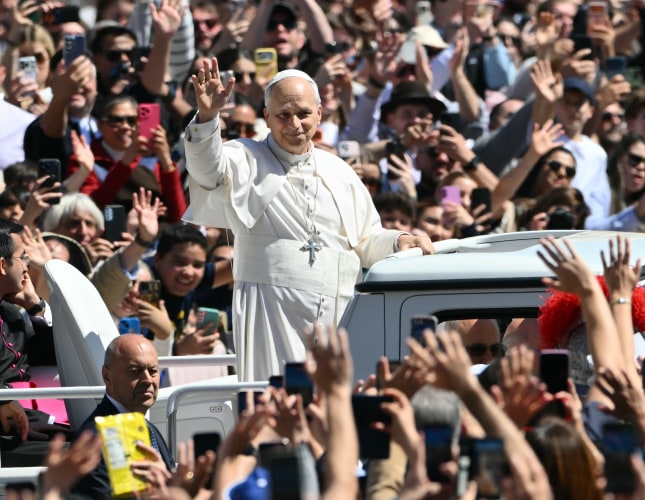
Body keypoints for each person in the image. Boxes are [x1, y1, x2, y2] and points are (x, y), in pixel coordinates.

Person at [183, 62, 434, 381]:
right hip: (274, 313)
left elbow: (367, 241)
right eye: (283, 115)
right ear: (267, 117)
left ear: (319, 113)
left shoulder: (339, 170)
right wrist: (207, 119)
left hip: (340, 314)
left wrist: (400, 240)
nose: (295, 124)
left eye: (302, 113)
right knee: (280, 403)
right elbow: (206, 170)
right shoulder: (243, 157)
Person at [69, 334, 173, 499]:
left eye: (153, 371)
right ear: (107, 377)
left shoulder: (149, 429)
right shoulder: (94, 442)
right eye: (135, 371)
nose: (147, 379)